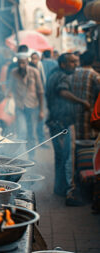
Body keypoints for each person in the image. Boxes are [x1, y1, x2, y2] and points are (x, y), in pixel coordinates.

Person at [46, 53, 87, 206]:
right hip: (61, 123)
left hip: (55, 122)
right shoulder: (62, 76)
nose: (75, 65)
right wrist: (81, 102)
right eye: (72, 62)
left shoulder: (53, 74)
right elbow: (63, 92)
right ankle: (69, 192)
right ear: (63, 64)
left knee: (60, 158)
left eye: (76, 61)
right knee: (66, 158)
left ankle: (59, 188)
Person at [8, 53, 45, 160]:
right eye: (19, 63)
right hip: (19, 106)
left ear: (27, 62)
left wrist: (42, 110)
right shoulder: (14, 72)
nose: (21, 65)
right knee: (22, 130)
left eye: (23, 63)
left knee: (31, 132)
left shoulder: (35, 72)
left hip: (32, 106)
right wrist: (9, 95)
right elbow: (10, 88)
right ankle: (20, 155)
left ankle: (31, 155)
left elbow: (40, 91)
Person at [71, 51, 100, 140]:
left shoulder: (73, 73)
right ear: (93, 61)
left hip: (75, 113)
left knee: (77, 141)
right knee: (89, 144)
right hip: (89, 113)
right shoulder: (95, 76)